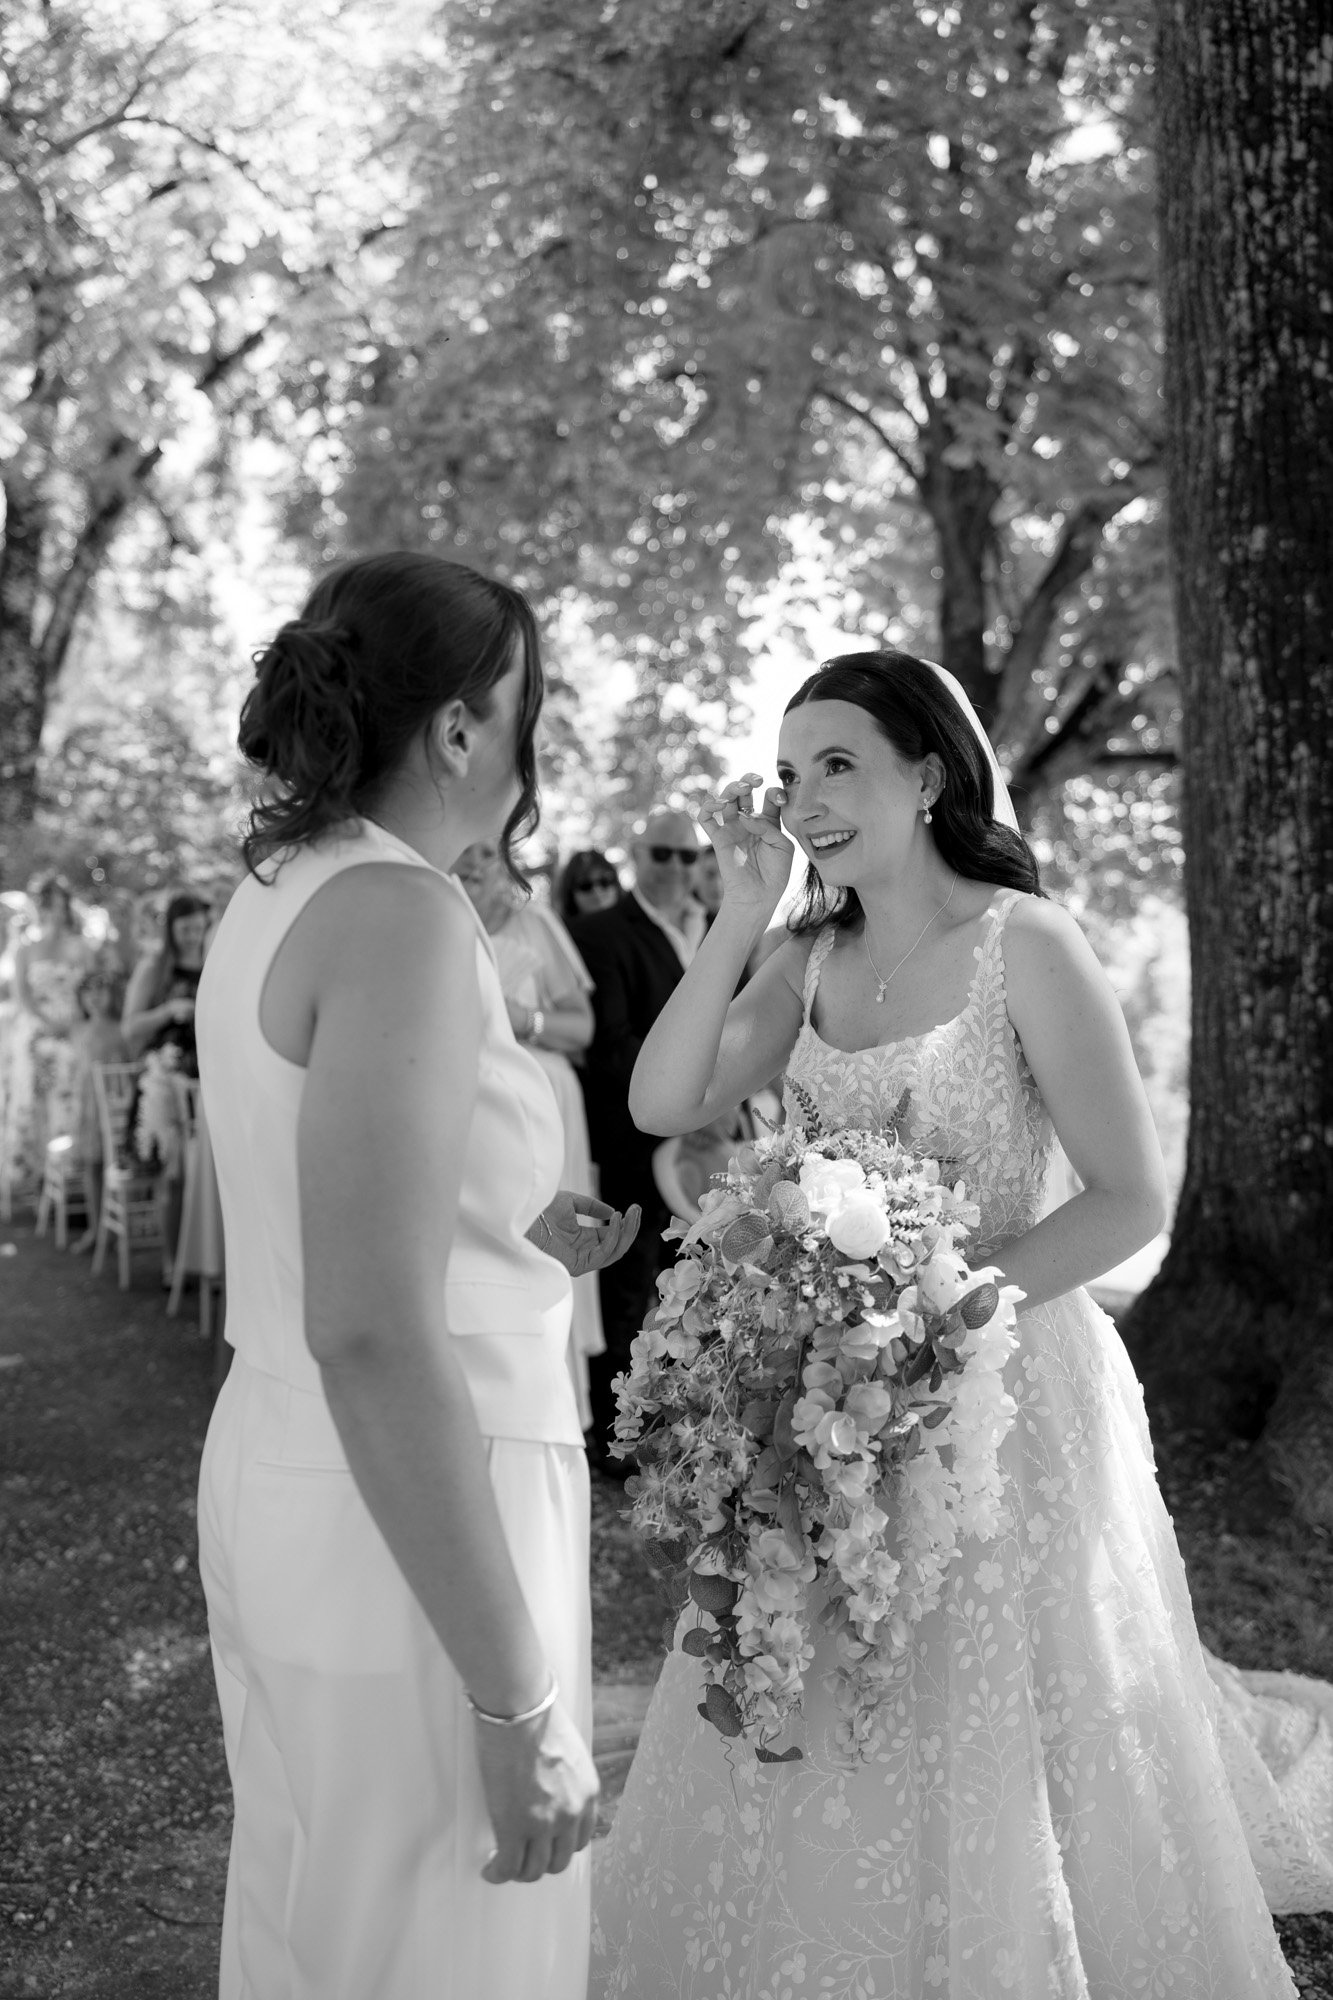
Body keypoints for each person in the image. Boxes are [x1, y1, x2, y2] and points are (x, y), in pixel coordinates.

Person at [591, 652, 1321, 1998]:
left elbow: (1125, 1197)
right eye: (791, 767)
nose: (803, 797)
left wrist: (945, 1308)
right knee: (819, 1670)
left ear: (926, 775)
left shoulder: (1022, 945)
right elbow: (659, 1100)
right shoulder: (805, 960)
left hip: (1005, 1383)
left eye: (839, 764)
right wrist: (737, 917)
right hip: (826, 1393)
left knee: (997, 1700)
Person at [195, 550, 639, 2000]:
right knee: (452, 1943)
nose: (531, 758)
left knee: (321, 1925)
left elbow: (326, 1201)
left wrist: (515, 1220)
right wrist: (518, 1703)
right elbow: (376, 1327)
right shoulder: (401, 917)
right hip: (420, 1504)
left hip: (296, 1467)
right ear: (459, 729)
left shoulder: (285, 887)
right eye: (529, 715)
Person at [567, 808, 706, 1470]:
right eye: (662, 854)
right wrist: (690, 1099)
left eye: (687, 856)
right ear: (636, 853)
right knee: (625, 1291)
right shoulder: (598, 933)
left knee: (694, 1293)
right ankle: (612, 1440)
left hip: (705, 1151)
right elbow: (609, 1047)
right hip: (630, 1143)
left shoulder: (712, 932)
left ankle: (686, 1426)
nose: (675, 868)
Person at [454, 839, 606, 1430]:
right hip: (468, 1102)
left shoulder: (534, 922)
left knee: (543, 1238)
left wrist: (523, 1019)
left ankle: (556, 1400)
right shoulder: (434, 914)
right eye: (463, 854)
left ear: (504, 859)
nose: (472, 865)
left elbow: (582, 1027)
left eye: (486, 854)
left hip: (542, 1091)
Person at [122, 890, 210, 1281]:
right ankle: (172, 1264)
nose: (192, 935)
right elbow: (129, 1028)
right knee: (172, 1175)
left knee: (203, 1175)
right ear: (171, 927)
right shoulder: (153, 968)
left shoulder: (214, 961)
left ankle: (206, 1260)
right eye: (185, 928)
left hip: (204, 1079)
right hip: (162, 1081)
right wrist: (168, 1012)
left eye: (198, 928)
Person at [3, 875, 91, 1200]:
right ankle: (37, 1177)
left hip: (73, 1031)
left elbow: (91, 991)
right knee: (35, 1101)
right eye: (48, 904)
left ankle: (68, 1179)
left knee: (68, 1099)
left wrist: (72, 1021)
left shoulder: (81, 947)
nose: (54, 911)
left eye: (59, 903)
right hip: (37, 1033)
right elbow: (22, 997)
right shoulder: (25, 949)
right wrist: (46, 1023)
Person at [66, 962, 129, 1253]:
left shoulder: (122, 1027)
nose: (94, 997)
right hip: (88, 1107)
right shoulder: (77, 1028)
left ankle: (117, 1228)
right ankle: (95, 1227)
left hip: (116, 1105)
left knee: (115, 1165)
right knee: (92, 1167)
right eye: (87, 991)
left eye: (100, 990)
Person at [555, 848, 622, 927]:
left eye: (604, 881)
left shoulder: (637, 925)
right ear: (571, 894)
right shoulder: (564, 935)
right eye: (585, 885)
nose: (597, 891)